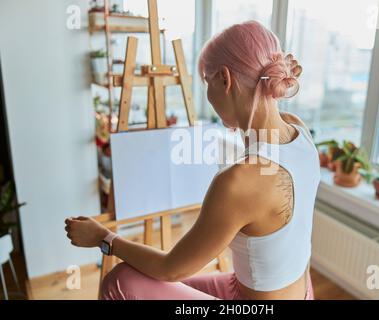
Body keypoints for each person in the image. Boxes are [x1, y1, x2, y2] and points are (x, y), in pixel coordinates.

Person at [65, 20, 321, 300]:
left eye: (206, 82)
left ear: (225, 79)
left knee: (120, 280)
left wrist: (104, 238)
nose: (208, 95)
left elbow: (170, 269)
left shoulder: (239, 181)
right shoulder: (299, 130)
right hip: (298, 291)